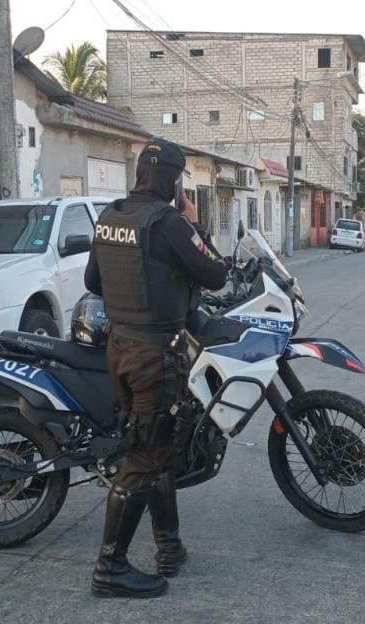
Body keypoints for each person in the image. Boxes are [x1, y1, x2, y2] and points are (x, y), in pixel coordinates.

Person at [84, 138, 229, 598]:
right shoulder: (168, 223)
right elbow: (216, 274)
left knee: (158, 448)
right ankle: (111, 568)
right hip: (156, 358)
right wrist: (194, 225)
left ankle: (169, 547)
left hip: (121, 350)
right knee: (144, 457)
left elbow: (92, 281)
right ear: (172, 179)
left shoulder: (111, 217)